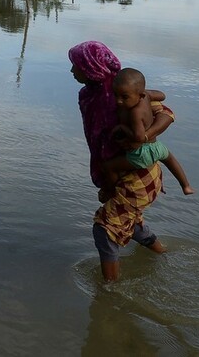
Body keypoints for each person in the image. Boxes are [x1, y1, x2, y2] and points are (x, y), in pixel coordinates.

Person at [68, 41, 176, 282]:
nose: (72, 71)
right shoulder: (92, 94)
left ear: (91, 66)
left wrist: (144, 137)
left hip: (139, 174)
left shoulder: (123, 91)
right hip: (122, 175)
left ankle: (110, 290)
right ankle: (163, 254)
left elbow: (166, 113)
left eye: (76, 66)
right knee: (128, 220)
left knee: (104, 229)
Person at [102, 67, 195, 196]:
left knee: (109, 166)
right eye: (115, 95)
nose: (118, 101)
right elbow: (162, 95)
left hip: (142, 153)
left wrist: (122, 128)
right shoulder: (146, 96)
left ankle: (111, 192)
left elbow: (139, 137)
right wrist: (145, 93)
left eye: (124, 97)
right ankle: (186, 186)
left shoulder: (135, 113)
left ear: (140, 96)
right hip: (157, 147)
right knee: (171, 160)